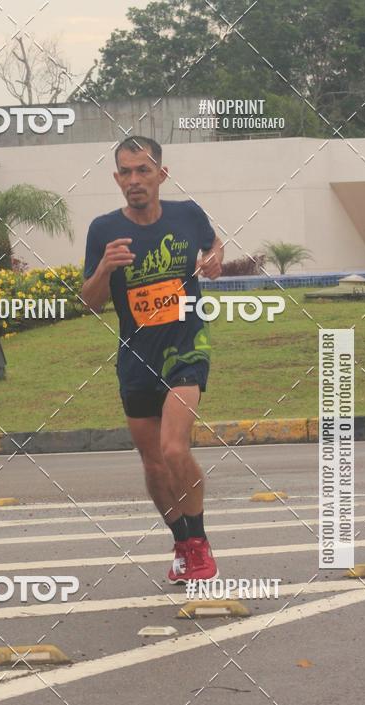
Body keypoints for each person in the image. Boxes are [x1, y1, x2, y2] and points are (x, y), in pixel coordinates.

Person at [82, 136, 223, 582]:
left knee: (173, 447)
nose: (134, 180)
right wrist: (105, 268)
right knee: (153, 462)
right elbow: (89, 303)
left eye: (143, 170)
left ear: (162, 174)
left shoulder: (188, 214)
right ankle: (181, 541)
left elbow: (213, 244)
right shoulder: (103, 230)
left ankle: (199, 542)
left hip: (185, 347)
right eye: (126, 172)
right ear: (116, 178)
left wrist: (213, 258)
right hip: (135, 357)